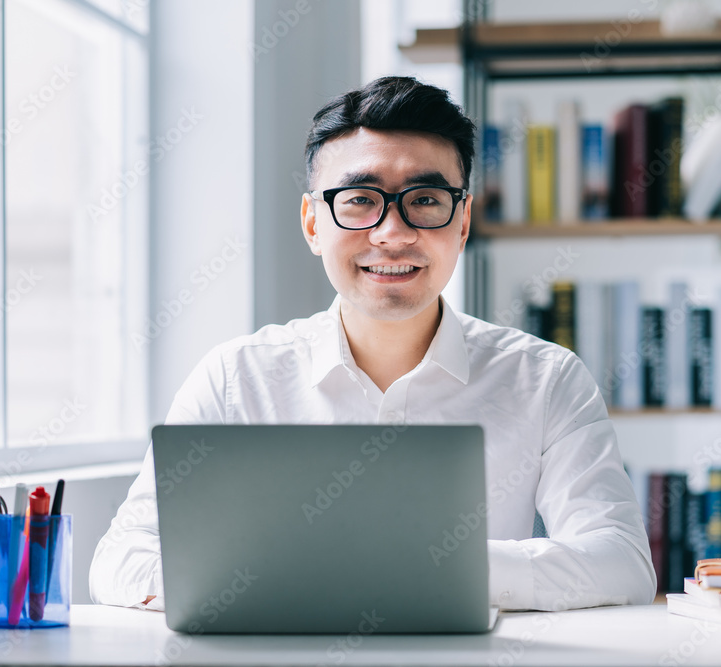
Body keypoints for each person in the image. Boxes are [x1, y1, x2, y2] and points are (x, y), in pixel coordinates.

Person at [89, 76, 656, 612]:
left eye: (426, 199)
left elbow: (621, 562)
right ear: (313, 223)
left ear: (462, 224)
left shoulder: (546, 379)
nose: (393, 233)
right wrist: (309, 579)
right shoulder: (236, 379)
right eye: (360, 199)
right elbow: (122, 559)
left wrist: (430, 570)